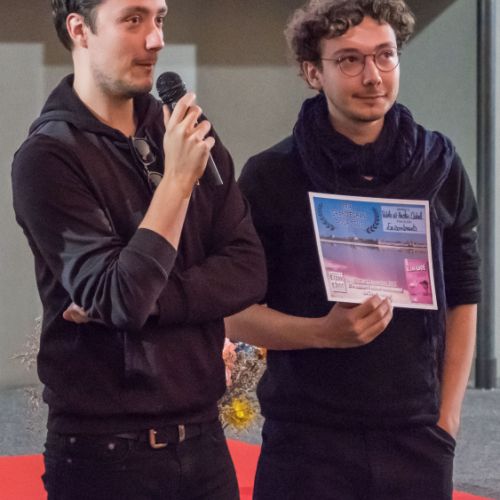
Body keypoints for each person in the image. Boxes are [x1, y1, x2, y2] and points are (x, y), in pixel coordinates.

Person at [225, 1, 481, 499]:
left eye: (386, 55)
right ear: (312, 72)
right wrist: (322, 333)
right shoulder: (272, 176)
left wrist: (447, 419)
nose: (373, 76)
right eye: (349, 60)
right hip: (306, 440)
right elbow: (233, 314)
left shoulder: (440, 166)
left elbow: (464, 294)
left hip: (417, 436)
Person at [11, 1, 266, 499]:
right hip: (105, 455)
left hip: (204, 442)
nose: (156, 39)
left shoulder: (184, 130)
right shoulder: (48, 157)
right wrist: (176, 182)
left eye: (159, 18)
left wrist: (150, 302)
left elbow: (249, 270)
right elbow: (124, 298)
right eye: (133, 20)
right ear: (79, 29)